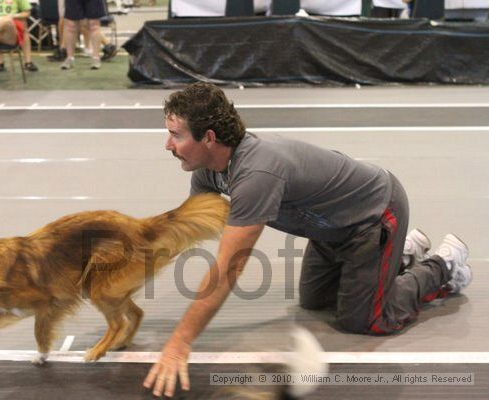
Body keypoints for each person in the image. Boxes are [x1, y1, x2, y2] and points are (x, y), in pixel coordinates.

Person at [143, 83, 472, 397]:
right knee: (314, 301)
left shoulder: (256, 175)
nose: (167, 145)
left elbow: (228, 269)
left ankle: (442, 265)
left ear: (209, 138)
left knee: (364, 320)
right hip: (330, 231)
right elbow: (186, 228)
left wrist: (181, 342)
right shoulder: (209, 169)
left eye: (175, 135)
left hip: (374, 215)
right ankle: (398, 256)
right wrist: (127, 261)